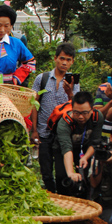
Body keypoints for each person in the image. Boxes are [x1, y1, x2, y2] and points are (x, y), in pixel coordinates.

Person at [31, 43, 79, 192]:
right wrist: (34, 130)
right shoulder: (42, 78)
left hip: (62, 133)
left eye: (68, 60)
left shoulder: (73, 82)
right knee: (45, 172)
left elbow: (76, 108)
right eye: (62, 58)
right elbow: (34, 104)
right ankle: (51, 196)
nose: (64, 63)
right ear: (55, 58)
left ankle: (62, 198)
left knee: (61, 173)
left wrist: (70, 93)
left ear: (72, 62)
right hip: (43, 132)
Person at [53, 91, 104, 197]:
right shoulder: (64, 122)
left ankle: (85, 199)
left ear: (92, 110)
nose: (81, 117)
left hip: (84, 148)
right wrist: (70, 173)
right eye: (76, 113)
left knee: (84, 175)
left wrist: (85, 157)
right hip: (63, 149)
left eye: (85, 113)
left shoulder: (97, 117)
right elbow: (66, 149)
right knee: (63, 176)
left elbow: (95, 142)